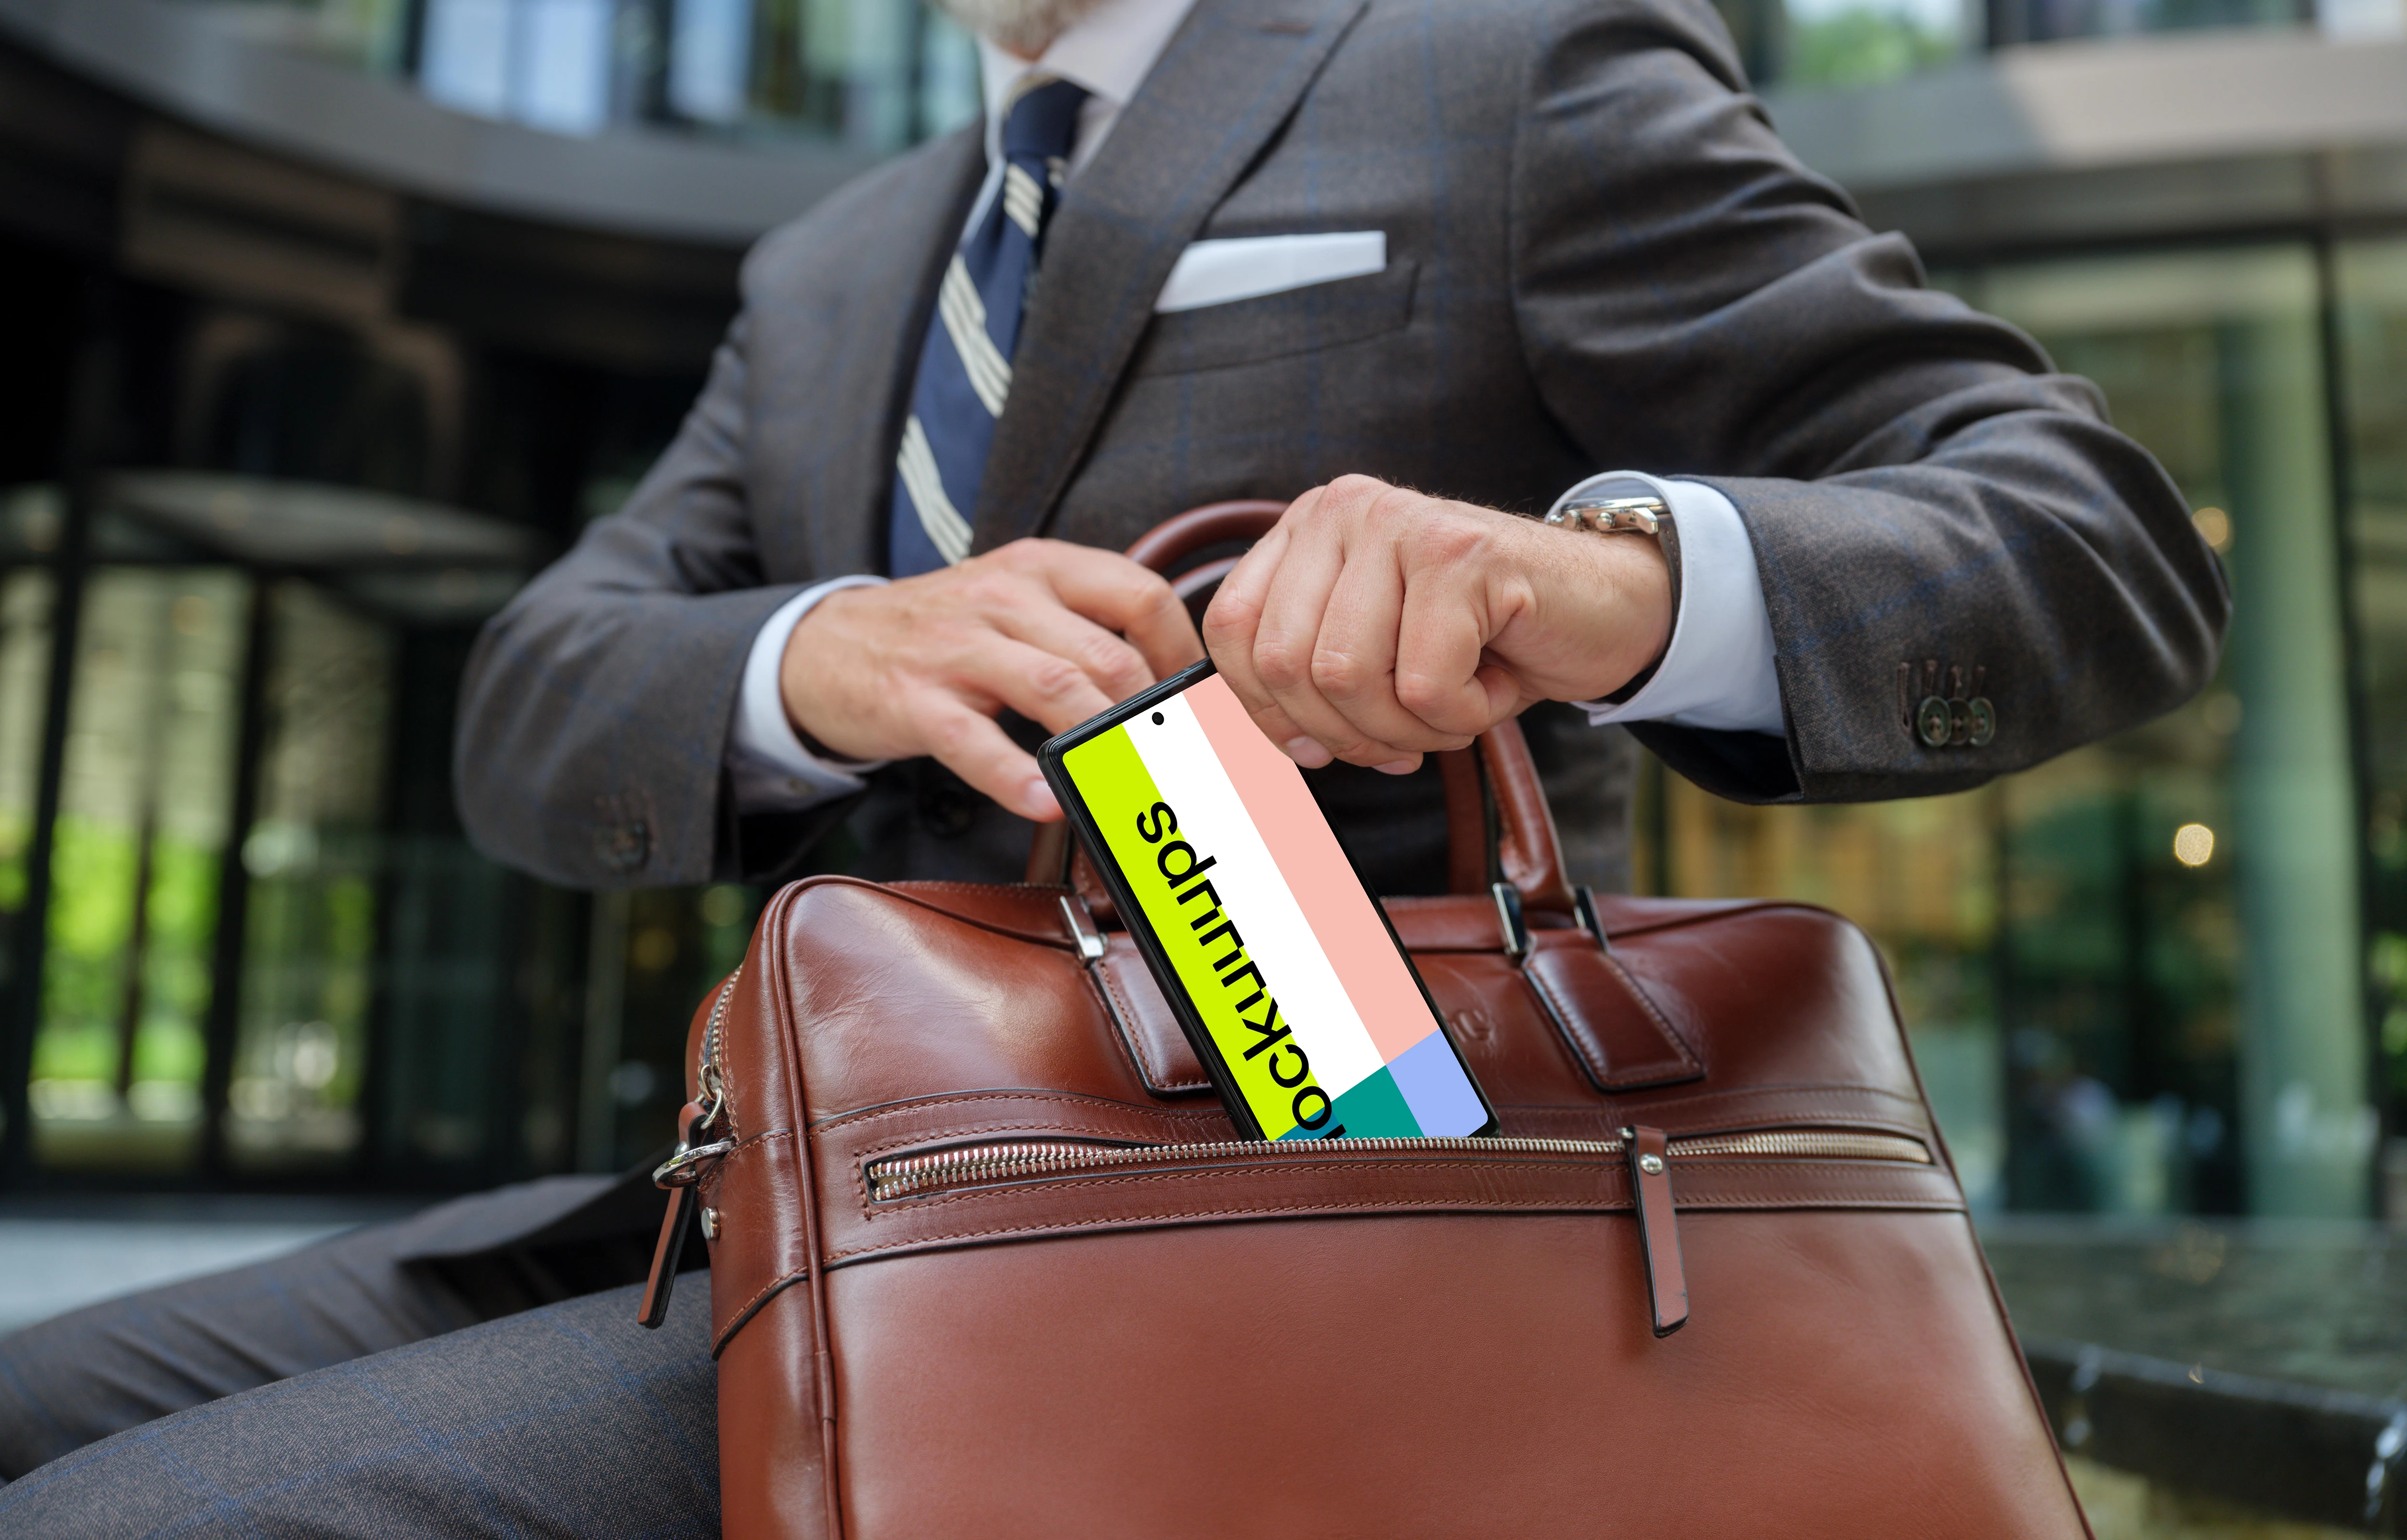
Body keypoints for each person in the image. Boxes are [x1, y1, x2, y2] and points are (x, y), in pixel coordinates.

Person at [0, 0, 2226, 1527]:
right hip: (781, 1188)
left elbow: (2085, 538)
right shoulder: (825, 271)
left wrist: (1610, 577)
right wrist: (815, 652)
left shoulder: (1503, 64)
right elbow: (529, 703)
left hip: (1317, 1226)